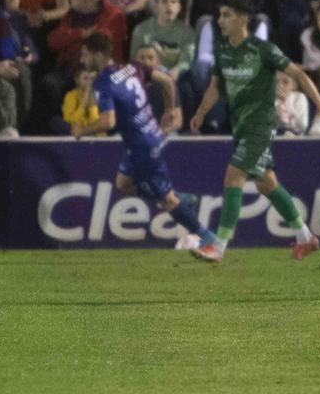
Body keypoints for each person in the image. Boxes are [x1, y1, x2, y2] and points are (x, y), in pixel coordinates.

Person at [187, 0, 320, 262]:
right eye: (220, 15)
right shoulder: (224, 52)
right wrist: (200, 112)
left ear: (242, 19)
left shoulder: (263, 49)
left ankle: (218, 246)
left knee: (234, 175)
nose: (220, 21)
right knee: (267, 184)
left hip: (261, 125)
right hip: (241, 126)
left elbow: (299, 75)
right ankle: (305, 237)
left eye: (226, 15)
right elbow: (214, 88)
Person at [73, 33, 220, 256]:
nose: (82, 60)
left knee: (168, 200)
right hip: (148, 136)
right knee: (123, 183)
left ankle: (209, 239)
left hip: (143, 146)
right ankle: (182, 198)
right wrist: (170, 109)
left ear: (98, 54)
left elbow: (108, 121)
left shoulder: (103, 82)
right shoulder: (133, 67)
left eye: (85, 54)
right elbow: (167, 80)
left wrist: (81, 131)